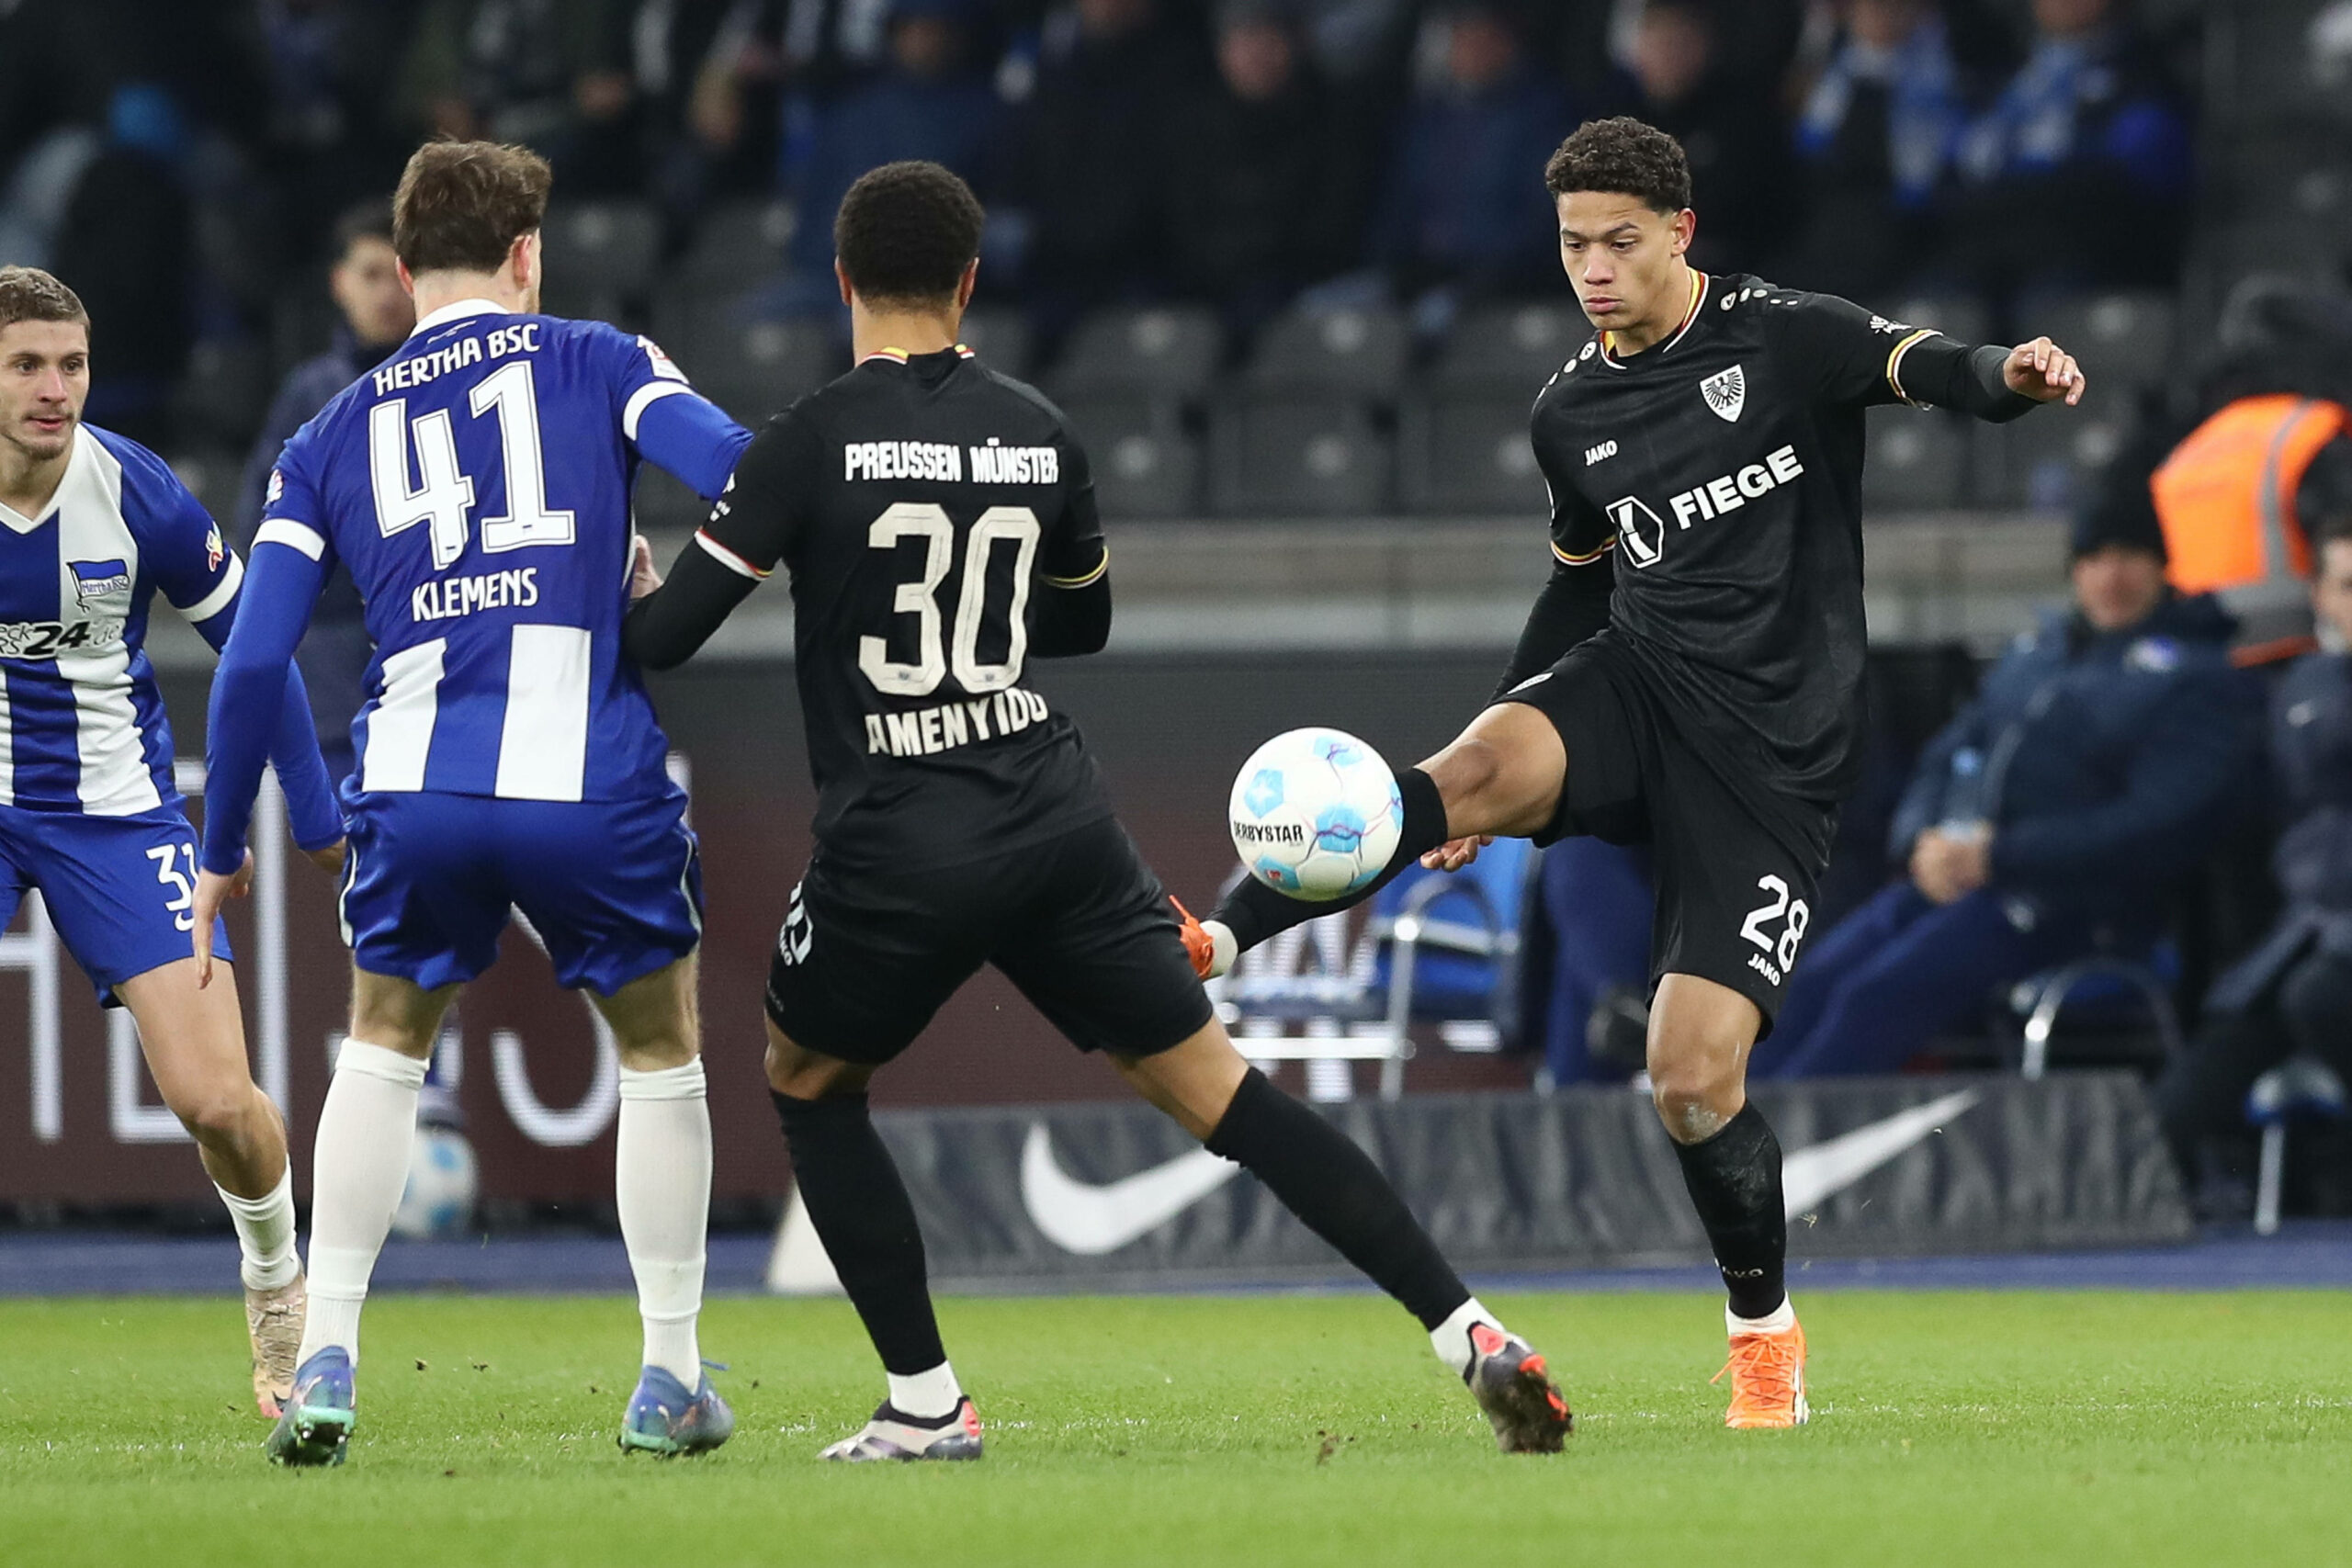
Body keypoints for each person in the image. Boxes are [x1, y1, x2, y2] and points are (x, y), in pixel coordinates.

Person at [621, 159, 1572, 1461]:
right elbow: (1083, 617)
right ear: (968, 282)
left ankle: (924, 1401)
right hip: (1049, 808)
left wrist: (642, 572)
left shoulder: (807, 439)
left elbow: (666, 639)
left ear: (842, 281)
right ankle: (1464, 1325)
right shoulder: (1036, 427)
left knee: (808, 1080)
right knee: (1225, 1093)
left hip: (900, 831)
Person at [1186, 116, 2085, 1429]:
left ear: (1680, 233)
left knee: (1688, 1071)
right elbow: (1575, 587)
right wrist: (1502, 750)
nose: (1594, 268)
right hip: (1638, 679)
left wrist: (2020, 367)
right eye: (1572, 245)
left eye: (1619, 241)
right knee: (1462, 769)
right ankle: (1218, 930)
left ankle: (1763, 1329)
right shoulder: (1570, 411)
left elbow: (1931, 366)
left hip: (1773, 757)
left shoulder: (1783, 334)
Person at [191, 139, 753, 1467]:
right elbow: (740, 468)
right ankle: (669, 1373)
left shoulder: (328, 431)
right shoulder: (601, 361)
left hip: (417, 774)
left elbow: (255, 657)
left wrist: (224, 844)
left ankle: (326, 1347)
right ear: (525, 258)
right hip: (586, 771)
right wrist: (668, 579)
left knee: (384, 1037)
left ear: (398, 269)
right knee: (661, 1046)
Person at [0, 265, 344, 1418]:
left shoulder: (135, 489)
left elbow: (255, 653)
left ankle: (274, 1279)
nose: (56, 391)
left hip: (115, 817)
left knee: (216, 1103)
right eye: (27, 366)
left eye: (72, 365)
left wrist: (314, 809)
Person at [1753, 510, 2257, 1079]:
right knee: (1804, 984)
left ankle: (1785, 1152)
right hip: (1966, 878)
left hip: (2078, 906)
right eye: (2094, 560)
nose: (2110, 578)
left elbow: (2158, 821)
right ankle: (1709, 1145)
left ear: (2163, 567)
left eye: (2129, 558)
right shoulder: (2036, 656)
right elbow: (1946, 753)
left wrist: (2004, 854)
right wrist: (1923, 840)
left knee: (1871, 997)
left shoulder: (2200, 679)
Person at [2155, 517, 2352, 1209]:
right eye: (2349, 587)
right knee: (2182, 1101)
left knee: (2321, 998)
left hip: (2333, 958)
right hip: (2307, 935)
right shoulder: (2300, 685)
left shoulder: (2309, 693)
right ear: (2322, 598)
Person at [235, 200, 414, 784]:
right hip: (334, 687)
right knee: (355, 863)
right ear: (339, 283)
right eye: (369, 274)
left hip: (440, 671)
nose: (386, 292)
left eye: (398, 273)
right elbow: (257, 532)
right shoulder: (310, 395)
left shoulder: (458, 385)